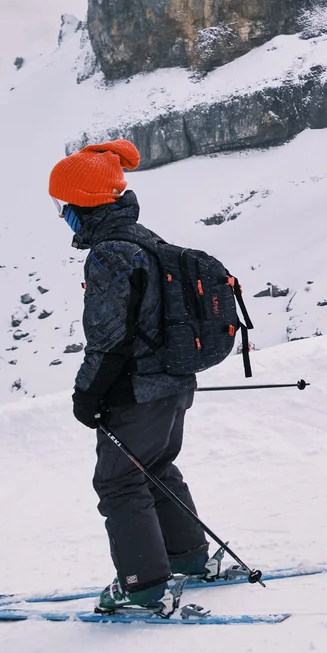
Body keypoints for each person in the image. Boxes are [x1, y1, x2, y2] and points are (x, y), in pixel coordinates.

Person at [49, 139, 208, 619]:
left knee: (119, 483)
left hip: (138, 390)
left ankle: (142, 587)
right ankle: (188, 559)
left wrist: (87, 393)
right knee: (154, 469)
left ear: (85, 202)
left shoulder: (110, 254)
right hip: (174, 382)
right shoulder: (144, 238)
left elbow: (108, 336)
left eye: (63, 206)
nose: (61, 215)